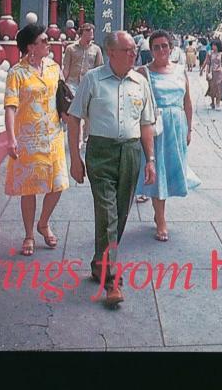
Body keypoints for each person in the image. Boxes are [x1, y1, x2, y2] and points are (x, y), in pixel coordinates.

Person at [64, 31, 157, 308]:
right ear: (111, 52)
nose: (134, 55)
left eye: (134, 51)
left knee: (120, 212)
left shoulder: (140, 82)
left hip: (130, 151)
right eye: (128, 50)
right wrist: (76, 158)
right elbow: (74, 118)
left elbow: (146, 123)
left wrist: (149, 159)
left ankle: (99, 262)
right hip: (100, 152)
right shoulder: (92, 79)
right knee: (107, 213)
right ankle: (112, 280)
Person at [4, 22, 69, 256]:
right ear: (31, 47)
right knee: (29, 189)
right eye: (43, 41)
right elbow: (10, 107)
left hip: (53, 135)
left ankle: (44, 222)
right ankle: (29, 234)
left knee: (58, 184)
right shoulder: (17, 73)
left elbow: (61, 96)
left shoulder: (53, 67)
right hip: (28, 138)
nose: (48, 43)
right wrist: (11, 138)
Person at [131, 30, 200, 240]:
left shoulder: (180, 71)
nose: (161, 50)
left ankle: (160, 214)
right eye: (156, 47)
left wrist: (189, 128)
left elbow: (187, 102)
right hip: (156, 126)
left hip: (176, 126)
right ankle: (160, 219)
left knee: (170, 171)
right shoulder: (144, 72)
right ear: (150, 50)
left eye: (164, 46)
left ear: (171, 47)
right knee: (157, 171)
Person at [61, 23, 104, 146]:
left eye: (92, 32)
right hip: (73, 83)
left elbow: (99, 68)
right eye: (88, 31)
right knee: (75, 112)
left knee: (89, 112)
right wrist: (63, 83)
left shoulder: (96, 50)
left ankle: (87, 136)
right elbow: (66, 67)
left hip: (89, 83)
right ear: (82, 33)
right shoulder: (71, 48)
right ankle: (77, 139)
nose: (90, 34)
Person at [202, 39, 222, 110]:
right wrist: (204, 71)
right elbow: (207, 63)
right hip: (212, 72)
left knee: (219, 88)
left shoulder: (221, 54)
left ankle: (218, 103)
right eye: (212, 45)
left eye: (215, 45)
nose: (213, 47)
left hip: (220, 72)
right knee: (212, 88)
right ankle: (212, 101)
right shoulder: (209, 53)